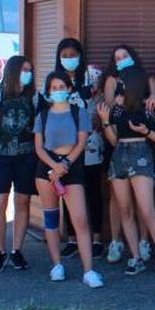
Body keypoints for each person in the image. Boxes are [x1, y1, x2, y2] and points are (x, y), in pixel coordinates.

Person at [98, 66, 155, 277]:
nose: (118, 91)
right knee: (125, 210)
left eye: (122, 86)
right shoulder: (117, 110)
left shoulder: (150, 107)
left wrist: (146, 131)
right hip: (119, 155)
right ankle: (136, 257)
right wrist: (105, 121)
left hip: (141, 153)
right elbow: (112, 140)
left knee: (147, 210)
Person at [34, 71, 104, 288]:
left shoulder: (79, 112)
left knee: (81, 220)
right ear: (48, 91)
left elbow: (82, 142)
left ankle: (89, 270)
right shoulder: (42, 116)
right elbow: (38, 146)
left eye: (61, 87)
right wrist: (54, 166)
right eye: (53, 88)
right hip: (47, 168)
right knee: (51, 219)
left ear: (69, 88)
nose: (58, 91)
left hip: (71, 168)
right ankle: (56, 265)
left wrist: (64, 165)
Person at [0, 55, 36, 273]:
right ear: (13, 71)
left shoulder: (33, 96)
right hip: (0, 157)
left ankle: (17, 251)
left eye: (30, 69)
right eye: (24, 69)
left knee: (22, 202)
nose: (27, 73)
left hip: (26, 156)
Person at [52, 38, 105, 260]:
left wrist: (99, 121)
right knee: (69, 192)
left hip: (91, 143)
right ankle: (72, 239)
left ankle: (97, 238)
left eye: (73, 55)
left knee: (93, 191)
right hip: (65, 147)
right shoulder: (55, 81)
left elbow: (103, 101)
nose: (69, 59)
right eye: (64, 55)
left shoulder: (92, 76)